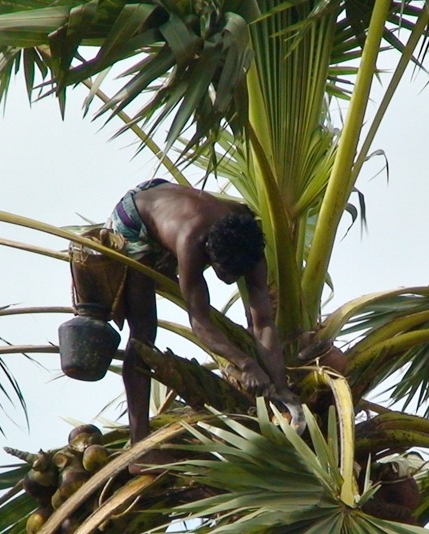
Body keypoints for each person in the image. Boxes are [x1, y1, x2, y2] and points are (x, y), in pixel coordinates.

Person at [104, 179, 293, 473]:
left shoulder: (252, 250)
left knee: (261, 321)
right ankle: (139, 449)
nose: (230, 281)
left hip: (170, 200)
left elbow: (264, 322)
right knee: (143, 333)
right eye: (223, 273)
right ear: (208, 252)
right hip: (136, 216)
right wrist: (244, 363)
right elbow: (200, 323)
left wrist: (282, 388)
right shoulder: (191, 240)